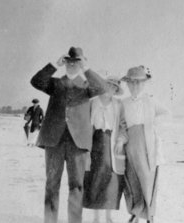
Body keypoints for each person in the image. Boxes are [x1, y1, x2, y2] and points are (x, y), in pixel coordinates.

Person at [30, 47, 107, 223]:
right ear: (65, 63)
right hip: (53, 141)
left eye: (76, 62)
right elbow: (36, 81)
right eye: (69, 62)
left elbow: (103, 87)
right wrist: (54, 65)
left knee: (76, 186)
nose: (72, 65)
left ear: (82, 63)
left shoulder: (88, 86)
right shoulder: (55, 83)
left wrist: (86, 69)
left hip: (78, 143)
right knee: (51, 185)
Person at [116, 66, 170, 223]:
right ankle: (136, 212)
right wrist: (121, 139)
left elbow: (166, 114)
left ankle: (150, 215)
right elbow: (122, 125)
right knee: (132, 179)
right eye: (131, 83)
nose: (134, 86)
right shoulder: (123, 103)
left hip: (147, 145)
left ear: (144, 84)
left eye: (138, 83)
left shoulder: (151, 101)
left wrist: (153, 125)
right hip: (130, 144)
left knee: (148, 179)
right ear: (127, 84)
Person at [83, 75, 127, 223]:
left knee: (111, 179)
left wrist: (121, 141)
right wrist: (85, 148)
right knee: (95, 178)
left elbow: (123, 126)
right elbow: (85, 125)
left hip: (111, 142)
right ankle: (96, 218)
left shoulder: (119, 104)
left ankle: (108, 217)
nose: (111, 89)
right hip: (94, 142)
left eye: (114, 87)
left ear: (116, 90)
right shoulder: (92, 102)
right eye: (109, 85)